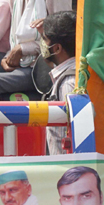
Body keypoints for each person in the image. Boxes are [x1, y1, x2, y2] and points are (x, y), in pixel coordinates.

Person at [41, 11, 78, 155]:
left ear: (56, 48)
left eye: (44, 39)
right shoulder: (74, 74)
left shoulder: (69, 83)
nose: (42, 45)